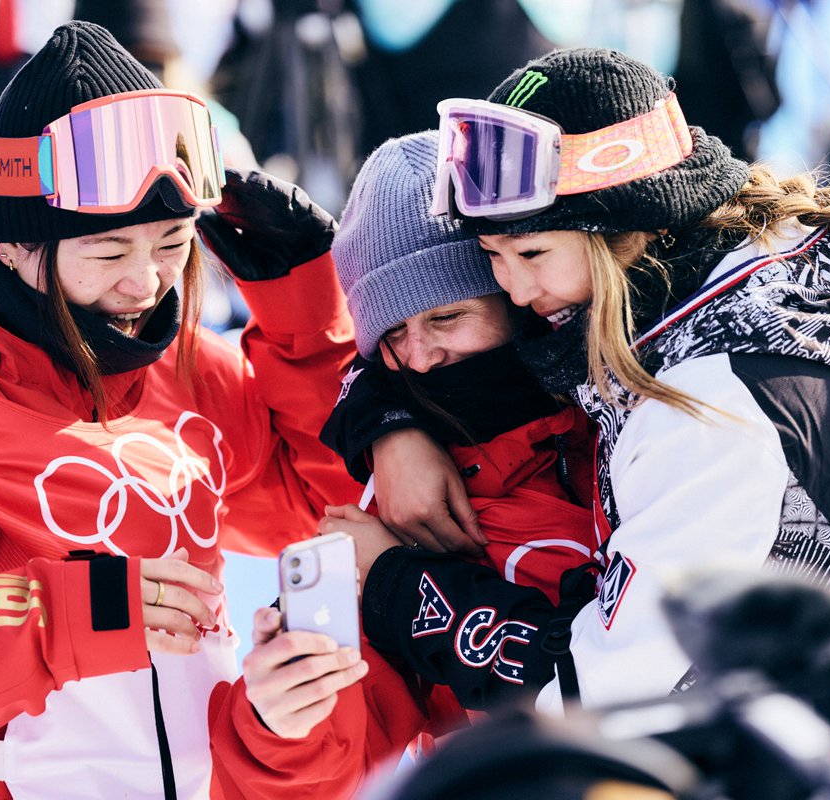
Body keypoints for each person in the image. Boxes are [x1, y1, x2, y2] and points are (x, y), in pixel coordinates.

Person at [329, 48, 830, 796]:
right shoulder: (750, 281)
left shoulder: (709, 407)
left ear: (625, 226)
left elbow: (591, 704)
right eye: (492, 256)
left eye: (532, 252)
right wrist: (387, 416)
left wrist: (395, 583)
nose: (515, 290)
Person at [0, 21, 359, 800]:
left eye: (171, 243)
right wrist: (68, 615)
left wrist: (305, 318)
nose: (147, 283)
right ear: (15, 245)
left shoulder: (186, 369)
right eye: (108, 252)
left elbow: (322, 509)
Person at [205, 130, 599, 799]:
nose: (419, 357)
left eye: (446, 317)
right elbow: (333, 767)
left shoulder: (629, 428)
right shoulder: (381, 521)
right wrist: (281, 722)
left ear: (517, 297)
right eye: (391, 333)